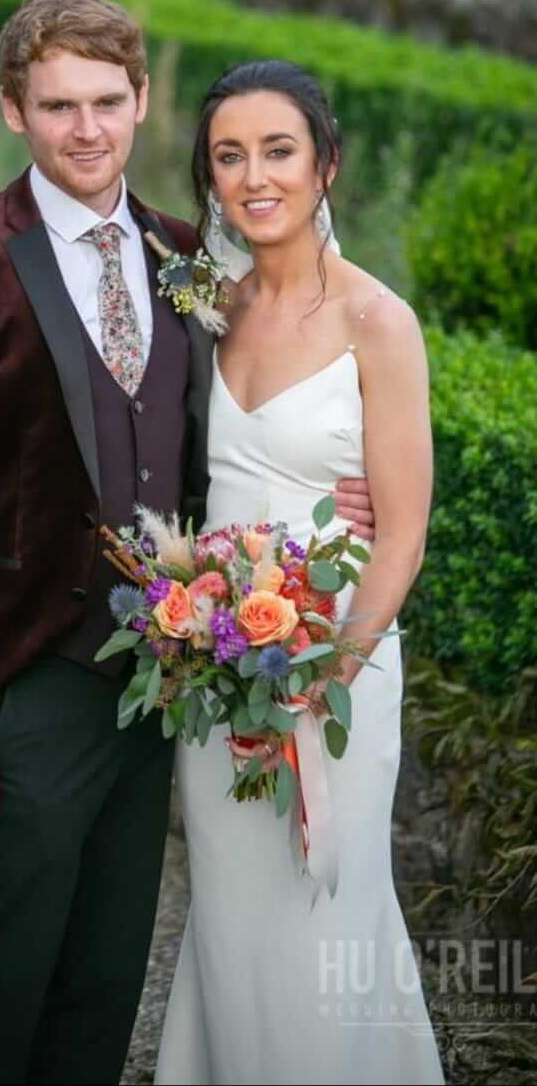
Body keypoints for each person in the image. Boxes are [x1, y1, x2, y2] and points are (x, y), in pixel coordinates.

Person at [0, 0, 374, 1086]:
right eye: (59, 105)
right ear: (15, 110)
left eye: (108, 101)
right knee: (3, 978)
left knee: (105, 983)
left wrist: (348, 489)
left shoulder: (188, 253)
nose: (87, 128)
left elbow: (240, 411)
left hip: (160, 685)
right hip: (22, 687)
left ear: (142, 101)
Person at [155, 60, 444, 1086]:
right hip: (216, 667)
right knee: (230, 909)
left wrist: (334, 669)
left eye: (278, 150)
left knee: (328, 899)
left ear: (326, 165)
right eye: (229, 156)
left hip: (337, 673)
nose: (253, 176)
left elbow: (402, 532)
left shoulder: (379, 321)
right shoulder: (204, 308)